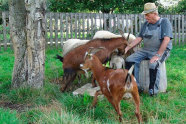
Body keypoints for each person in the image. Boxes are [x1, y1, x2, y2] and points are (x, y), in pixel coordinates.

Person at [125, 2, 173, 96]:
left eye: (147, 15)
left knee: (153, 64)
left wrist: (158, 55)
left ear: (155, 13)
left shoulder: (164, 22)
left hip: (161, 50)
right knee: (129, 60)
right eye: (145, 15)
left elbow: (166, 40)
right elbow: (139, 38)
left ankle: (153, 91)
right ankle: (136, 87)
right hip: (145, 50)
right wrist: (128, 47)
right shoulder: (146, 24)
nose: (146, 17)